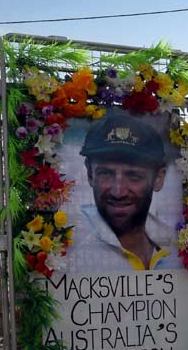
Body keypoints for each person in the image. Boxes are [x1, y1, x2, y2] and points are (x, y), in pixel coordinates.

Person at [71, 112, 180, 272]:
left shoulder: (180, 246)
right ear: (89, 174)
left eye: (133, 176)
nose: (118, 192)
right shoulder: (67, 252)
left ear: (158, 178)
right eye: (106, 174)